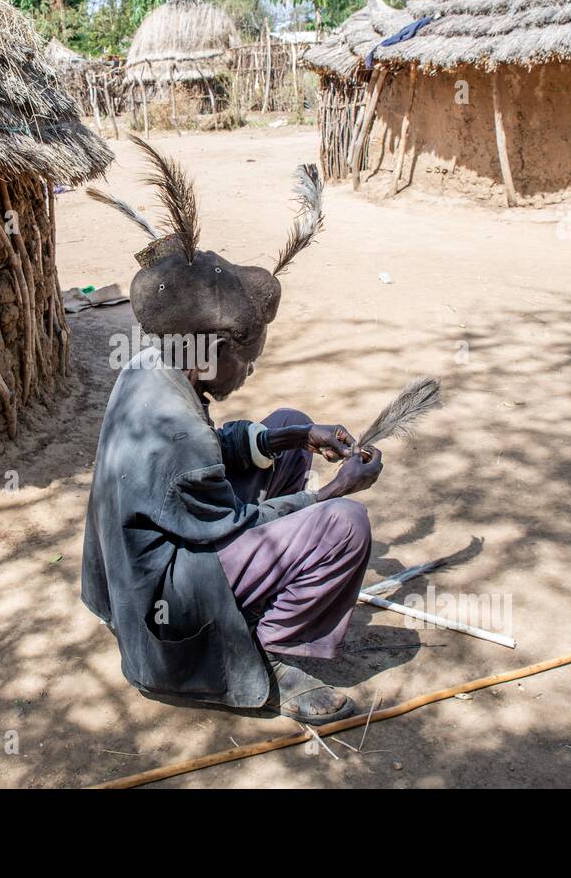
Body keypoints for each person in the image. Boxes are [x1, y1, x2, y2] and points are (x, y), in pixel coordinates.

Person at [80, 138, 383, 724]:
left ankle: (290, 452)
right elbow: (230, 522)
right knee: (345, 527)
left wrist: (289, 439)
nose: (249, 371)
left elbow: (195, 472)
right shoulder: (177, 433)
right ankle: (259, 654)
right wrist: (331, 492)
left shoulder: (151, 366)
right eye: (244, 359)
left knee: (289, 423)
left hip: (151, 567)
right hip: (165, 613)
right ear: (212, 350)